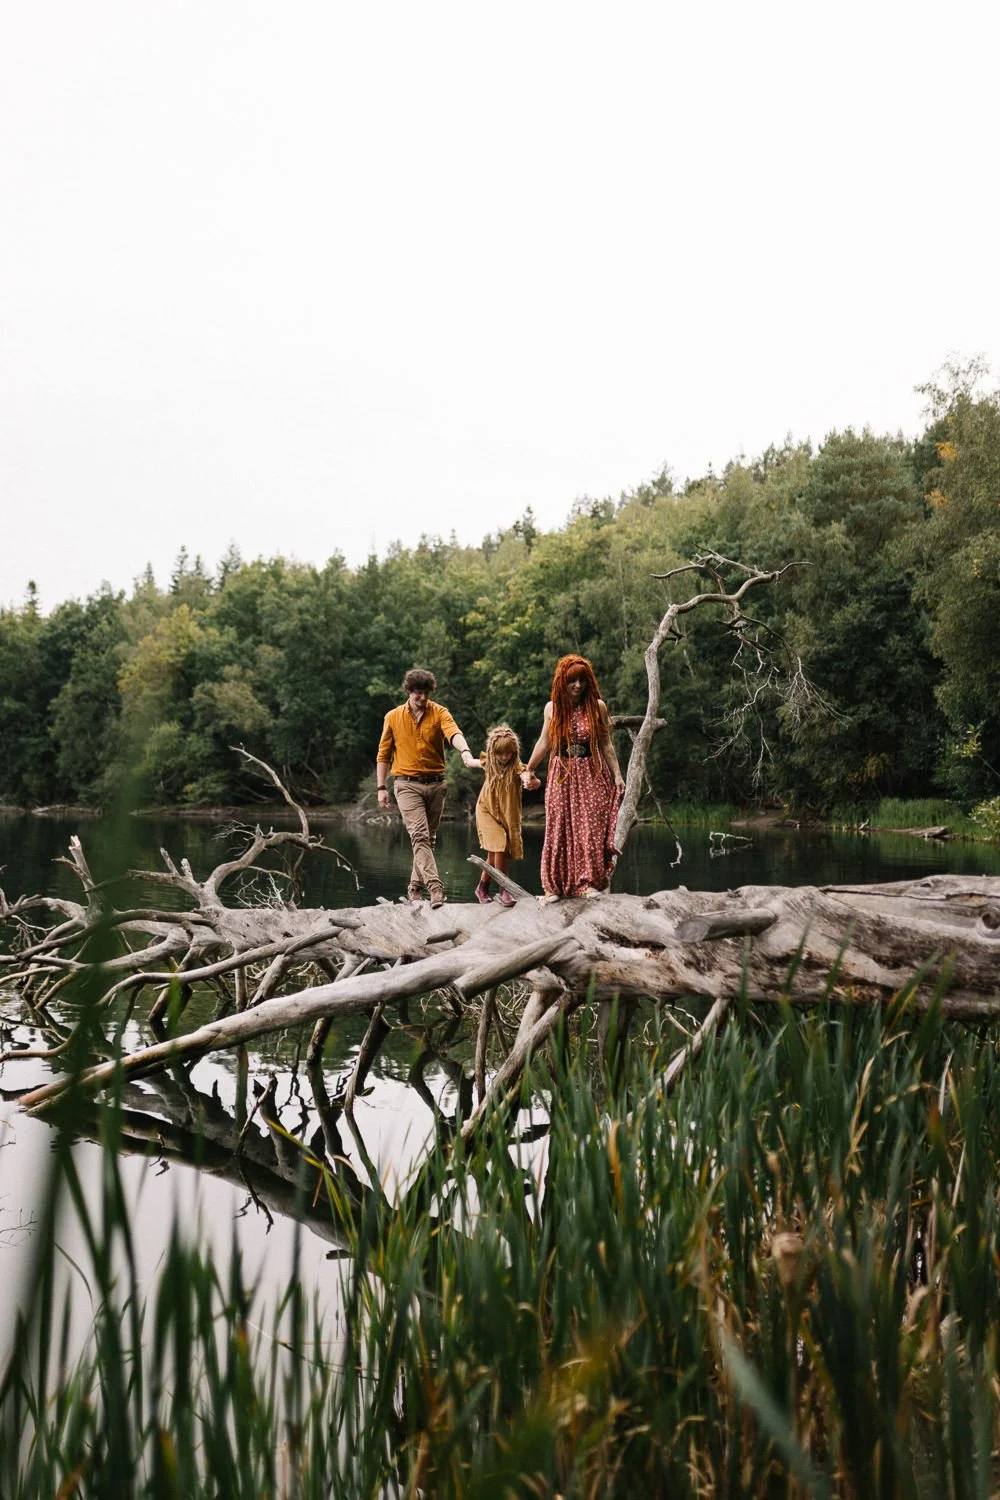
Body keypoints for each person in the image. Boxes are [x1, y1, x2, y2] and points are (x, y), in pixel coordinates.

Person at [521, 654, 626, 901]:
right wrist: (529, 768)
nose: (577, 685)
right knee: (558, 827)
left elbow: (605, 743)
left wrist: (618, 775)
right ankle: (553, 888)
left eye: (582, 680)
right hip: (561, 773)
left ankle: (587, 883)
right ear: (562, 682)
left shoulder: (597, 706)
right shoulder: (552, 708)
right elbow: (545, 742)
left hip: (591, 771)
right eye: (572, 681)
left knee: (590, 827)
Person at [376, 668, 479, 907]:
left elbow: (454, 733)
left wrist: (465, 752)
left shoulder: (440, 712)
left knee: (428, 840)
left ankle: (414, 888)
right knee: (420, 836)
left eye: (426, 693)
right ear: (409, 692)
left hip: (436, 785)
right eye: (418, 693)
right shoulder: (393, 717)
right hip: (406, 785)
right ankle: (436, 889)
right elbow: (383, 754)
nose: (423, 698)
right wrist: (381, 787)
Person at [473, 725, 527, 908]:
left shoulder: (517, 768)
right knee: (499, 846)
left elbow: (527, 775)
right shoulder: (488, 763)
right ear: (492, 752)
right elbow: (473, 762)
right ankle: (504, 889)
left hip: (504, 815)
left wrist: (532, 781)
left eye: (508, 753)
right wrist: (465, 757)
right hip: (486, 811)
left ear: (514, 752)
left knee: (494, 852)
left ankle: (482, 888)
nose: (504, 757)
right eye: (500, 754)